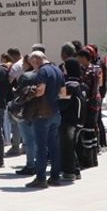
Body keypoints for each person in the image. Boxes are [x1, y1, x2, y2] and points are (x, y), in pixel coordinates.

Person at [25, 51, 65, 188]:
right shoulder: (57, 70)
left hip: (42, 115)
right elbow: (63, 92)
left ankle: (41, 178)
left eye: (32, 63)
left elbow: (41, 90)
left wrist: (30, 94)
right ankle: (55, 177)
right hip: (55, 112)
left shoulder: (42, 71)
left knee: (41, 147)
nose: (32, 66)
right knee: (54, 146)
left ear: (37, 59)